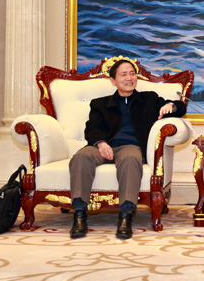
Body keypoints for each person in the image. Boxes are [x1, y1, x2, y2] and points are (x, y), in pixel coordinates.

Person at [68, 59, 187, 240]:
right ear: (113, 80)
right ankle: (79, 216)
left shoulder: (149, 99)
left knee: (131, 159)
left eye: (132, 73)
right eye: (123, 74)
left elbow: (181, 108)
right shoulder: (100, 103)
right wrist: (101, 143)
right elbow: (92, 128)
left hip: (131, 147)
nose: (129, 78)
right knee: (81, 157)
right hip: (103, 145)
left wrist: (171, 105)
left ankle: (125, 217)